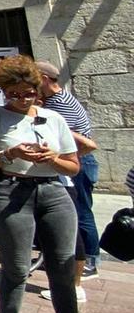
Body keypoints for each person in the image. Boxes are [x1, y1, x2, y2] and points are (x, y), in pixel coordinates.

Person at [0, 56, 88, 313]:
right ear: (4, 91)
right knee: (17, 268)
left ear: (38, 90)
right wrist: (8, 153)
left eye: (28, 93)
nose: (21, 100)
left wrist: (51, 159)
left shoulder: (55, 119)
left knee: (63, 268)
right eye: (14, 94)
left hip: (54, 192)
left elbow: (73, 168)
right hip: (11, 193)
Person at [36, 61, 100, 280]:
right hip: (78, 160)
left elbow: (76, 141)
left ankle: (90, 260)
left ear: (44, 78)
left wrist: (65, 160)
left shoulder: (59, 104)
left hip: (80, 161)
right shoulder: (56, 99)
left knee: (81, 212)